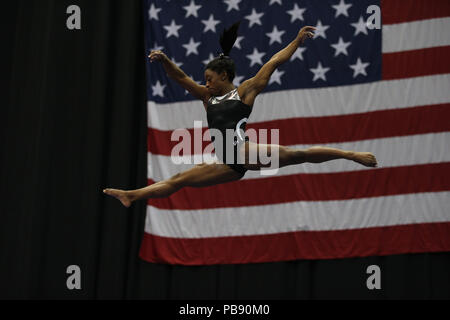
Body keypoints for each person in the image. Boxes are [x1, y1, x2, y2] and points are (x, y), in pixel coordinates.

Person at [103, 23, 377, 208]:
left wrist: (296, 41)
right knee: (179, 181)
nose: (205, 83)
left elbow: (273, 62)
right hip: (230, 164)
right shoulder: (207, 96)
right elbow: (181, 78)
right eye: (204, 80)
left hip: (243, 151)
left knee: (297, 155)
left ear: (224, 76)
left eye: (209, 79)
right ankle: (131, 195)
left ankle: (350, 155)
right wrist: (165, 60)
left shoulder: (245, 91)